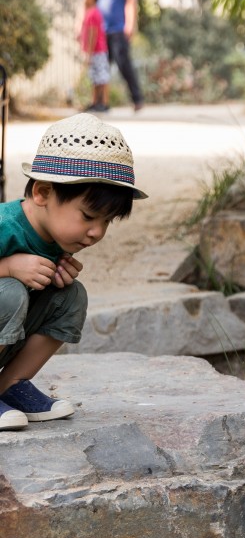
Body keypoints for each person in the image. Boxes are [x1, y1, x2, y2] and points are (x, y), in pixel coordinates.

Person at [0, 112, 147, 430]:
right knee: (10, 291)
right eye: (89, 216)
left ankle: (9, 386)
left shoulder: (54, 237)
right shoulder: (5, 225)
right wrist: (9, 267)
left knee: (71, 296)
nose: (96, 232)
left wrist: (49, 281)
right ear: (42, 194)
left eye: (107, 221)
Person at [97, 0, 144, 111]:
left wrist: (130, 24)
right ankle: (101, 103)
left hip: (118, 31)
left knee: (124, 65)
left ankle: (137, 98)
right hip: (101, 32)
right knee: (101, 67)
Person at [79, 0, 110, 113]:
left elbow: (93, 34)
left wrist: (89, 53)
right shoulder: (90, 11)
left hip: (98, 51)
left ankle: (104, 102)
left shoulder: (93, 13)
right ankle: (95, 102)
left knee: (102, 77)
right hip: (95, 51)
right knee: (95, 77)